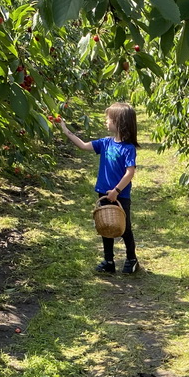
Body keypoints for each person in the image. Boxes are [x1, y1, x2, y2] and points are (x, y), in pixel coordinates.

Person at [59, 104, 140, 274]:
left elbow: (129, 172)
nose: (106, 121)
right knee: (105, 226)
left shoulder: (128, 148)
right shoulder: (105, 143)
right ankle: (109, 261)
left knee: (124, 227)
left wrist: (116, 191)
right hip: (103, 192)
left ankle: (131, 259)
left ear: (118, 122)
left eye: (108, 119)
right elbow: (83, 145)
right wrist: (66, 130)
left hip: (120, 195)